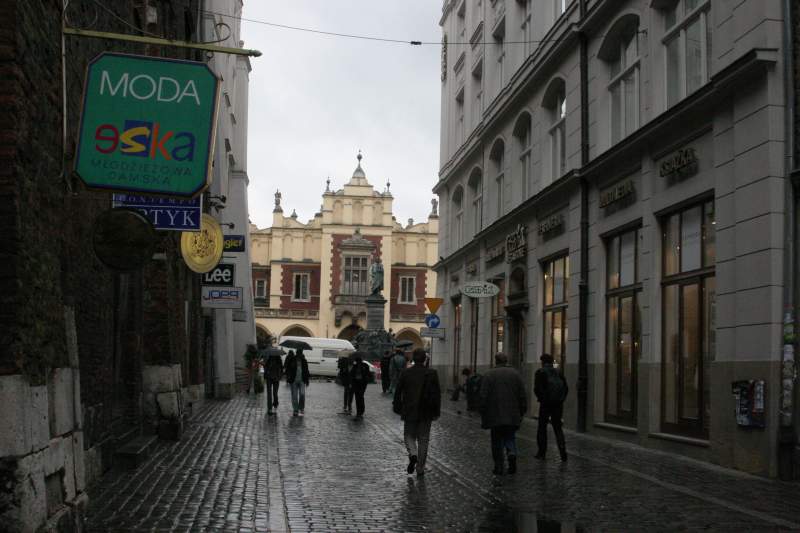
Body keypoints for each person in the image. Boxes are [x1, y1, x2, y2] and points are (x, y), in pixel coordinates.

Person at [393, 349, 441, 477]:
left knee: (409, 435)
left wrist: (397, 406)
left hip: (410, 409)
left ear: (413, 359)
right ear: (425, 359)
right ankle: (420, 468)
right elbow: (437, 394)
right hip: (427, 411)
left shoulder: (406, 372)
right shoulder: (432, 373)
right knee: (423, 439)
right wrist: (436, 411)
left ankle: (413, 454)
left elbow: (398, 391)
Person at [479, 352, 527, 475]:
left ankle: (499, 466)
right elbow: (522, 394)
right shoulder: (516, 374)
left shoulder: (489, 374)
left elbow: (483, 395)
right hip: (512, 413)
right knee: (510, 436)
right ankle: (511, 454)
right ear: (506, 361)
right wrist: (522, 411)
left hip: (495, 414)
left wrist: (482, 410)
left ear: (496, 361)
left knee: (496, 441)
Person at [533, 353, 568, 461]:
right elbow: (566, 388)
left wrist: (542, 399)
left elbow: (537, 389)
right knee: (558, 428)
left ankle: (541, 453)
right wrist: (561, 399)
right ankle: (563, 452)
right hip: (558, 404)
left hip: (546, 404)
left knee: (542, 428)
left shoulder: (540, 372)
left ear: (543, 362)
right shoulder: (559, 372)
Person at [284, 349, 310, 417]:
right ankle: (295, 409)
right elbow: (287, 369)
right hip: (294, 380)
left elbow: (306, 371)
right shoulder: (292, 360)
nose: (299, 355)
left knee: (302, 394)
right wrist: (288, 376)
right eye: (298, 353)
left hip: (302, 380)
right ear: (296, 353)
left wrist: (307, 380)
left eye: (300, 353)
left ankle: (301, 407)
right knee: (294, 396)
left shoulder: (304, 361)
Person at [349, 352, 371, 419]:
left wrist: (365, 377)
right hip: (356, 383)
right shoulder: (355, 366)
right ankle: (359, 412)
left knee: (360, 397)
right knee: (358, 397)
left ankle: (360, 411)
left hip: (362, 384)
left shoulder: (365, 366)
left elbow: (368, 374)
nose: (357, 362)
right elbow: (351, 375)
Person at [263, 348, 283, 416]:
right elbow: (266, 368)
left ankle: (275, 403)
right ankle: (269, 408)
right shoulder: (269, 360)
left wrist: (280, 376)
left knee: (275, 393)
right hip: (269, 378)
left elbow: (281, 369)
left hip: (276, 378)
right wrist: (266, 367)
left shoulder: (279, 361)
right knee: (269, 393)